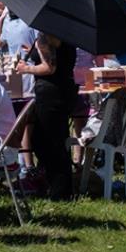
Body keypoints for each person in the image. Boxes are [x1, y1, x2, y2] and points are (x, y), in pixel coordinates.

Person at [15, 30, 79, 200]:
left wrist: (25, 68)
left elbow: (49, 67)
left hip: (49, 93)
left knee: (46, 141)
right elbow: (57, 57)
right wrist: (36, 50)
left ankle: (59, 189)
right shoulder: (66, 35)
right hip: (65, 89)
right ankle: (60, 187)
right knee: (56, 140)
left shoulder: (45, 35)